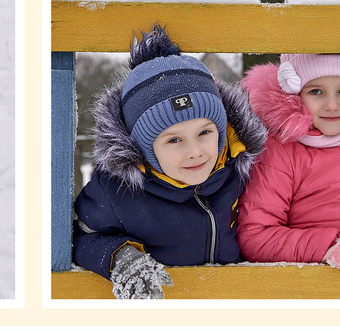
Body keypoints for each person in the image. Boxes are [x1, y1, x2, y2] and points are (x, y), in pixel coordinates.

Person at [74, 25, 266, 295]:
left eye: (205, 133)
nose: (195, 151)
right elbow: (82, 236)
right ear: (143, 146)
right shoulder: (117, 191)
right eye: (174, 140)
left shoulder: (237, 170)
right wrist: (120, 258)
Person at [237, 56, 340, 268]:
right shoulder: (280, 150)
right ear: (296, 94)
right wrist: (326, 247)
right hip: (315, 286)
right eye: (316, 92)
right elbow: (255, 236)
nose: (332, 105)